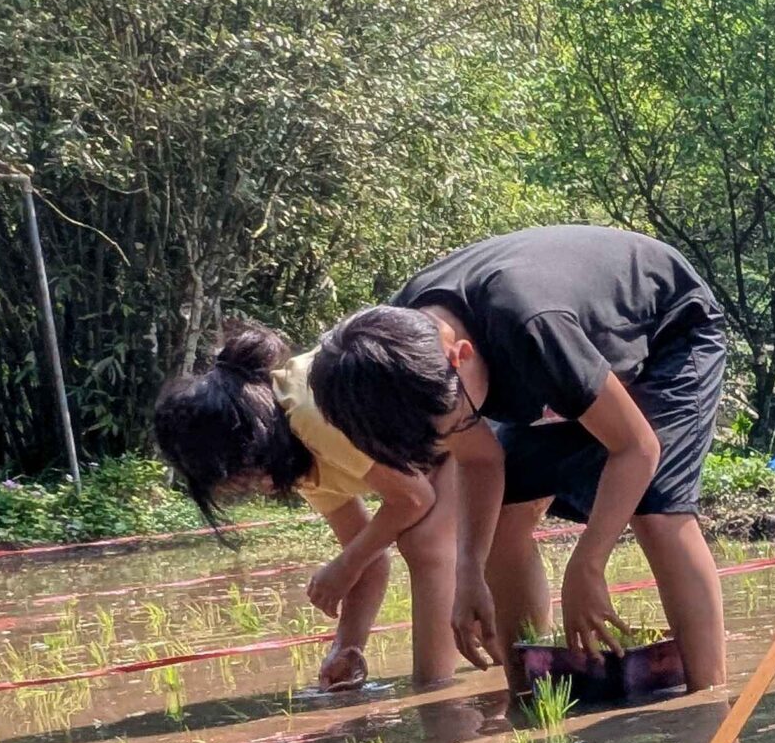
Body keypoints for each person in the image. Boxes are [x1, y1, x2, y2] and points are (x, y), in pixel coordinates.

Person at [308, 225, 732, 692]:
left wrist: (587, 565)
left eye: (456, 423)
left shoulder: (533, 326)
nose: (458, 436)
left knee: (656, 509)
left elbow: (637, 447)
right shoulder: (389, 351)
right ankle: (532, 689)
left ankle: (708, 700)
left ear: (460, 355)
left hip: (670, 325)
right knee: (504, 510)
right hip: (560, 356)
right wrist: (469, 571)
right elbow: (480, 462)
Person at [152, 324, 458, 690]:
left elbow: (414, 499)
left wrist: (345, 566)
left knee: (424, 543)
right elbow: (370, 558)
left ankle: (439, 702)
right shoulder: (294, 459)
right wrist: (347, 650)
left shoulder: (308, 413)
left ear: (249, 440)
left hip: (465, 414)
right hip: (437, 451)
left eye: (243, 474)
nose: (251, 487)